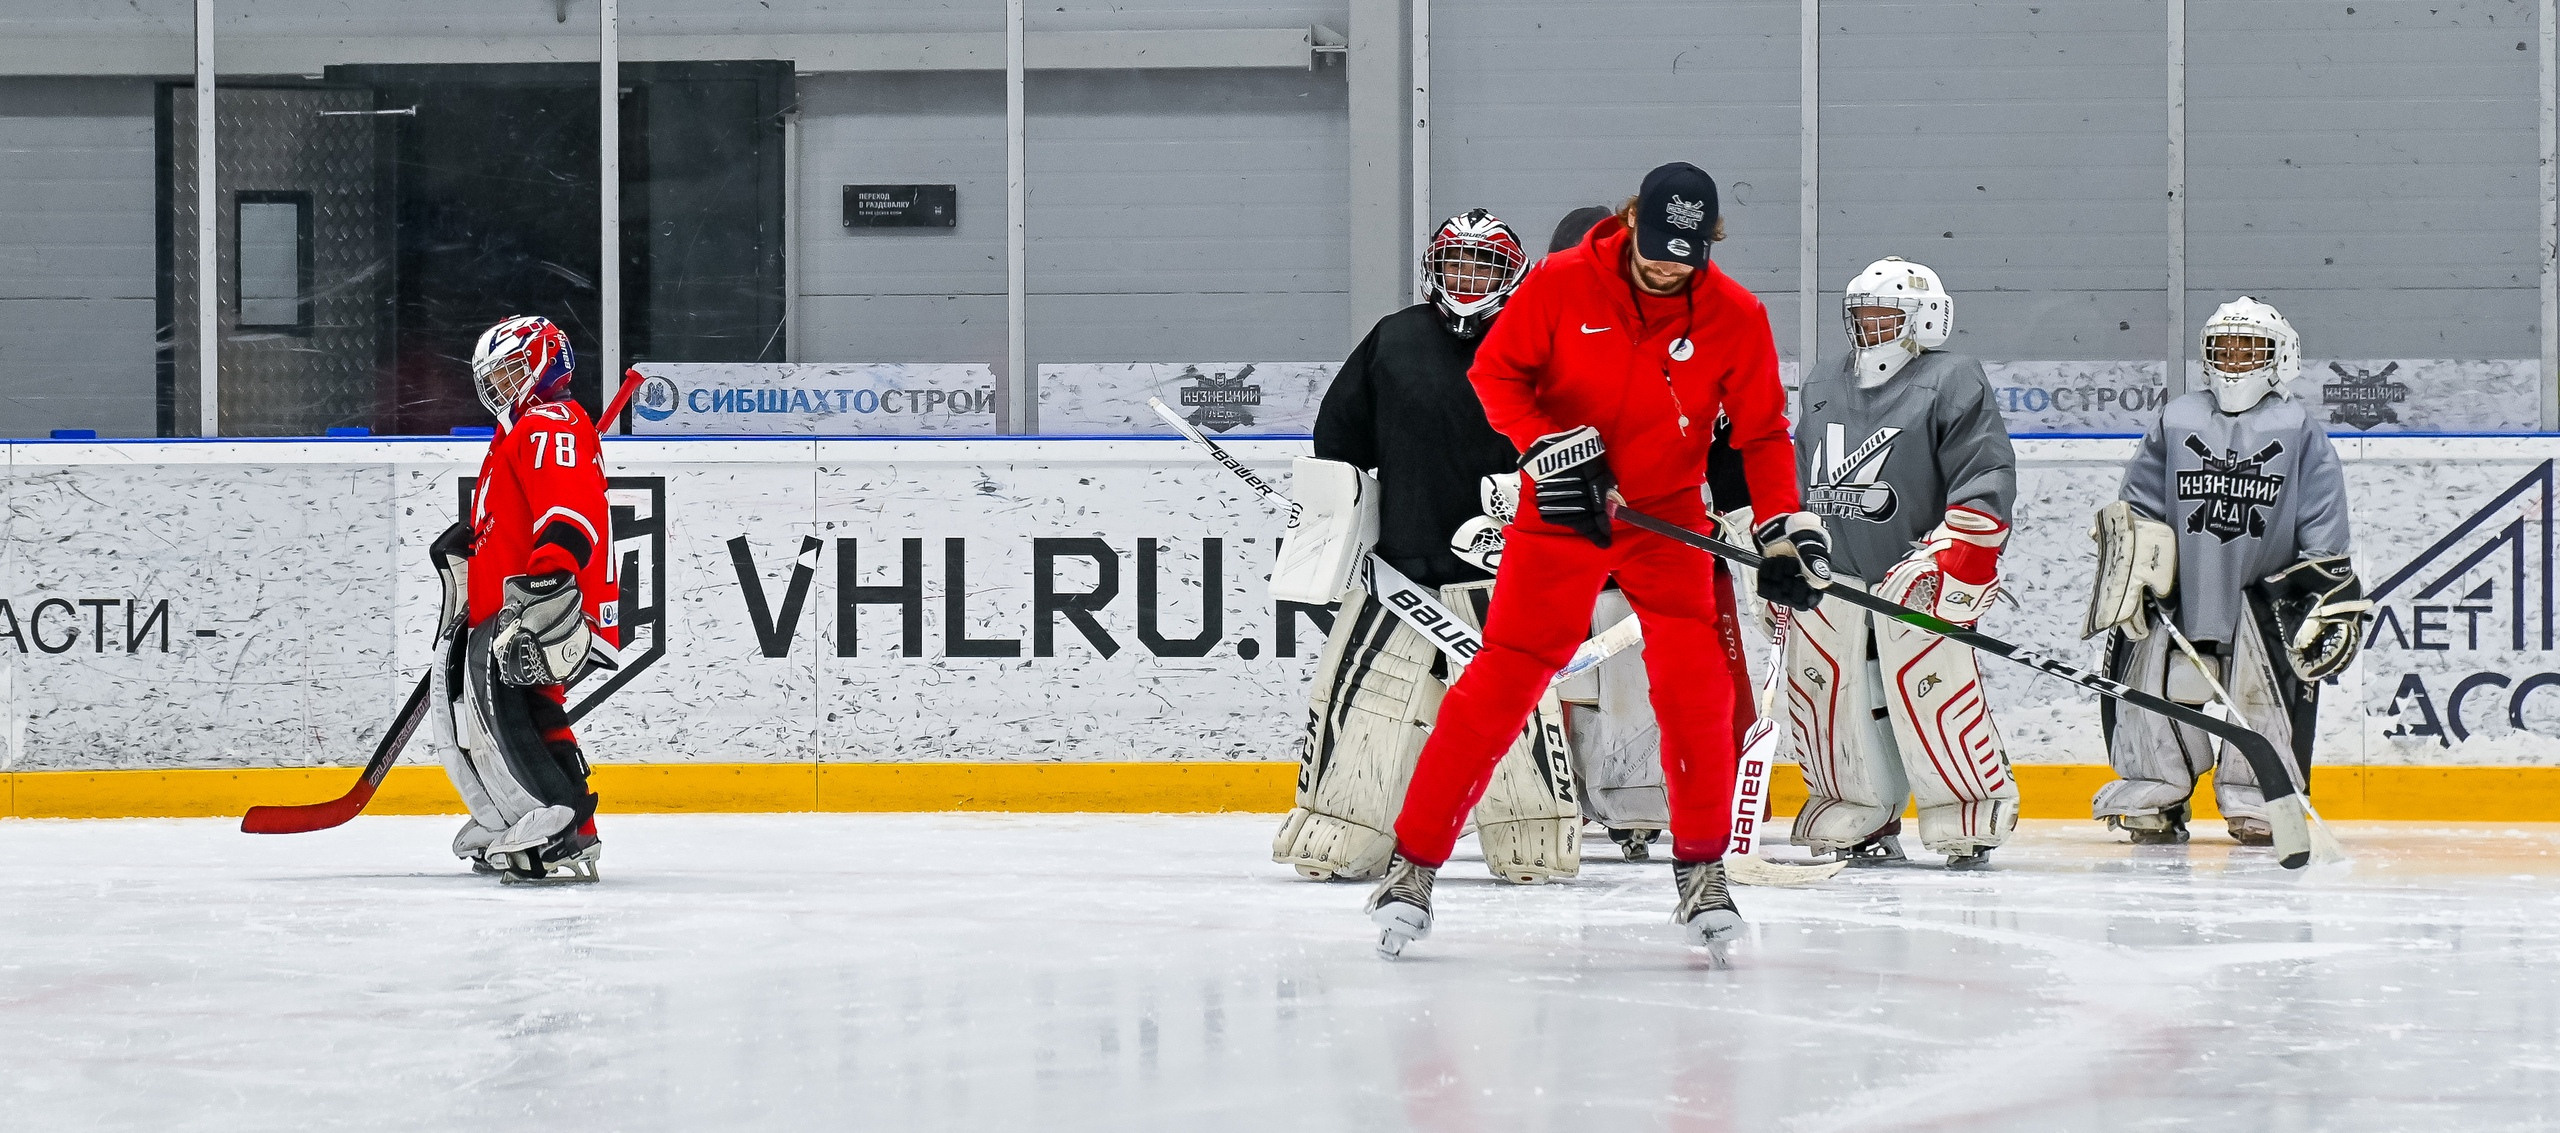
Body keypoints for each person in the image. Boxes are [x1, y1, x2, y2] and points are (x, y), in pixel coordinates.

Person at [1364, 163, 1828, 958]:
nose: (1665, 267)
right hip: (1561, 510)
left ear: (1708, 244)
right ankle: (1413, 865)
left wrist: (1783, 533)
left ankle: (1703, 870)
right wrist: (1547, 453)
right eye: (1654, 250)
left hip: (1669, 517)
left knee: (1698, 690)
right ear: (1631, 221)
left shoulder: (1735, 316)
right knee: (1501, 682)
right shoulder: (1559, 283)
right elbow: (1495, 373)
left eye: (1684, 256)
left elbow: (1760, 433)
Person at [1272, 209, 1585, 886]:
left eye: (1482, 265)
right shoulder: (1395, 339)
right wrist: (1334, 513)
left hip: (1504, 576)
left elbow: (1575, 448)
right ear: (1433, 270)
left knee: (1516, 715)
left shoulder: (1539, 346)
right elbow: (1340, 440)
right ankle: (1347, 824)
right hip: (1399, 569)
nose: (1466, 277)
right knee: (1364, 701)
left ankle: (1530, 831)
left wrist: (1535, 491)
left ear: (1511, 274)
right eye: (1454, 263)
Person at [2085, 297, 2368, 845]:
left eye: (2249, 347)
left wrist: (2321, 585)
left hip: (2259, 597)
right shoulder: (2179, 416)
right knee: (2152, 688)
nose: (2234, 359)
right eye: (2223, 347)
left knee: (2263, 699)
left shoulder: (2298, 427)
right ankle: (2154, 790)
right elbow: (2141, 502)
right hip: (2181, 589)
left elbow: (2321, 515)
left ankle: (2259, 799)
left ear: (2279, 356)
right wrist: (2134, 564)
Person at [1784, 257, 2020, 869]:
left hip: (1916, 575)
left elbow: (1985, 472)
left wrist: (1956, 553)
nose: (1869, 328)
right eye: (1859, 315)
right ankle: (1853, 808)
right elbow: (1795, 472)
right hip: (1832, 573)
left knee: (1930, 690)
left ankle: (1965, 813)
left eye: (1885, 314)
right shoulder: (1823, 380)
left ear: (1927, 319)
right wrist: (1783, 548)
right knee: (1829, 697)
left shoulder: (1953, 378)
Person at [429, 315, 622, 882]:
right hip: (504, 602)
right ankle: (514, 813)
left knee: (525, 711)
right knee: (485, 717)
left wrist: (550, 578)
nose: (501, 384)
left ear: (543, 361)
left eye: (513, 369)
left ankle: (565, 820)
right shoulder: (516, 432)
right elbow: (515, 513)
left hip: (536, 597)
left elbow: (570, 506)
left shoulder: (550, 420)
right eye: (496, 374)